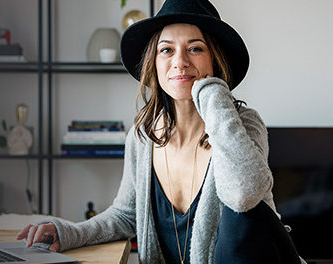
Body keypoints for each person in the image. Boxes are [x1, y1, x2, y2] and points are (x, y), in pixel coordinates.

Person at [17, 0, 306, 263]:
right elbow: (125, 215)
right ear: (154, 64)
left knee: (239, 214)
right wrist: (67, 233)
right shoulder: (142, 136)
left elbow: (245, 195)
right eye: (166, 50)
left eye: (195, 48)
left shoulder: (245, 124)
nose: (180, 61)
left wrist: (214, 92)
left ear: (215, 60)